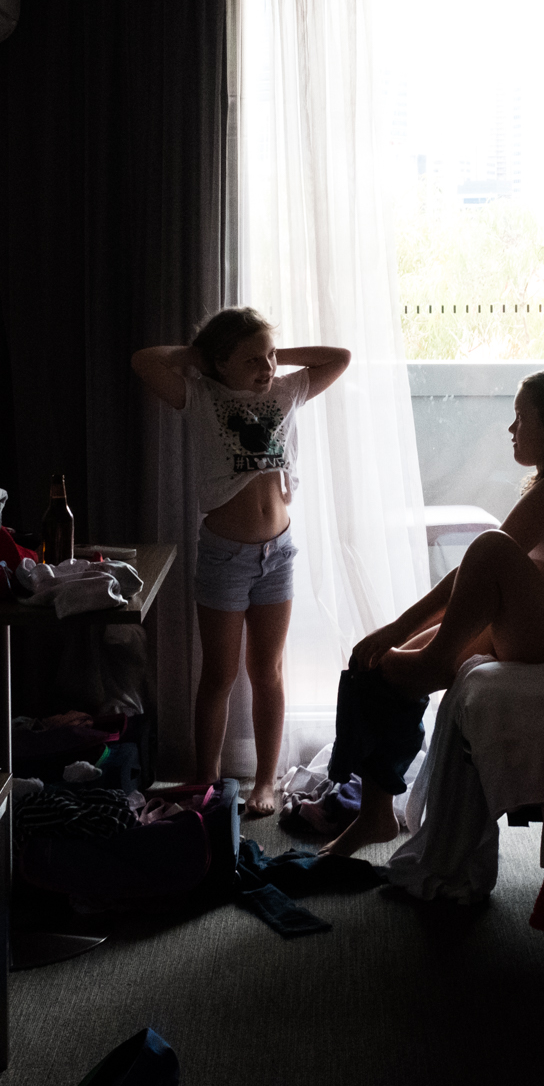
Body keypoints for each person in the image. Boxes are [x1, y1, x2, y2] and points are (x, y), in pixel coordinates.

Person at [325, 367, 544, 854]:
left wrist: (397, 625)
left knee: (491, 547)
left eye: (520, 417)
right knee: (375, 669)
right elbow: (476, 585)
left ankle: (436, 660)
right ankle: (375, 818)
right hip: (532, 629)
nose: (510, 428)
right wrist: (395, 633)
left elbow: (478, 568)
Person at [132, 309, 350, 818]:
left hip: (279, 553)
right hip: (225, 556)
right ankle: (204, 778)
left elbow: (339, 358)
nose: (267, 367)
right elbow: (145, 361)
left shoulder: (285, 391)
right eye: (252, 359)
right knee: (220, 674)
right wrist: (202, 360)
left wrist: (275, 354)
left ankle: (265, 782)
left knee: (268, 671)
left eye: (270, 356)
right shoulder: (203, 398)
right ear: (220, 363)